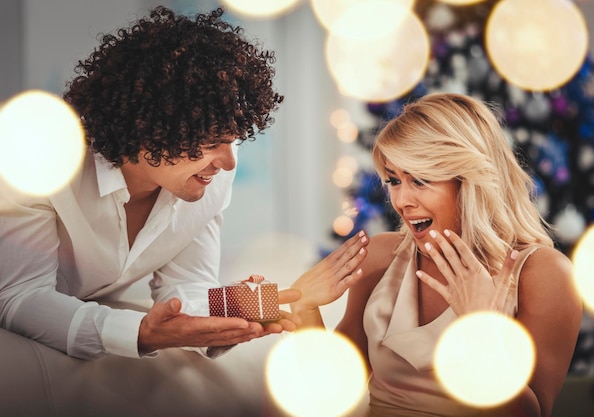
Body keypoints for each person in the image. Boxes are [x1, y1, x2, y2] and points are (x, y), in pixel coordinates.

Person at [0, 6, 369, 361]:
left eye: (233, 138)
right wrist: (140, 333)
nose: (227, 163)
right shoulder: (41, 162)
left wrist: (238, 306)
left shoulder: (210, 175)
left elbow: (186, 287)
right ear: (146, 128)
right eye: (210, 144)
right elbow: (19, 296)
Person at [291, 93, 582, 417]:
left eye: (419, 180)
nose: (401, 200)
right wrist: (305, 308)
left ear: (469, 182)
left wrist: (480, 327)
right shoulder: (380, 257)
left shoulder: (544, 275)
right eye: (394, 180)